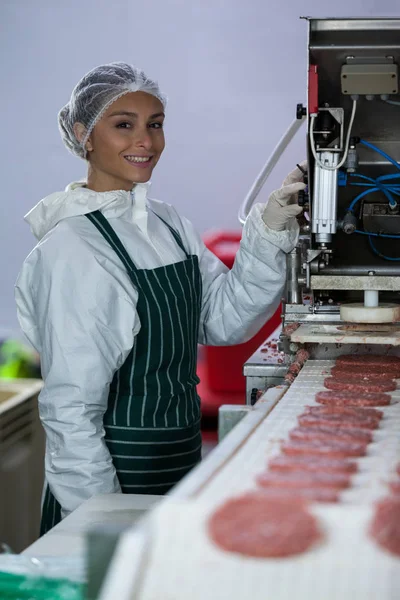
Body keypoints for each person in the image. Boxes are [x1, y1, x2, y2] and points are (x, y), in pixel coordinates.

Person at [15, 62, 306, 534]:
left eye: (155, 124)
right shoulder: (73, 249)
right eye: (124, 124)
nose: (146, 141)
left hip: (178, 457)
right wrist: (101, 523)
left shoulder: (166, 223)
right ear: (83, 134)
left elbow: (222, 320)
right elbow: (71, 410)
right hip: (109, 478)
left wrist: (269, 228)